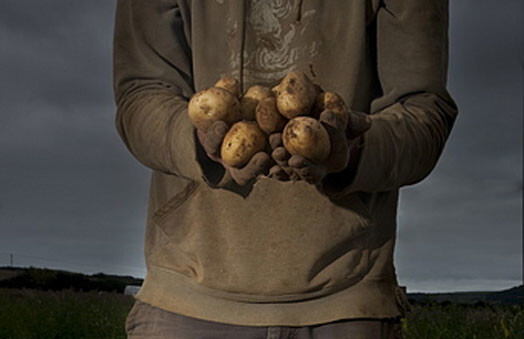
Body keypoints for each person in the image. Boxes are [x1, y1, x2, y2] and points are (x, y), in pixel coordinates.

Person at [113, 0, 458, 338]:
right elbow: (141, 94)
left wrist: (354, 151)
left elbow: (424, 112)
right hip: (187, 300)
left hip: (345, 303)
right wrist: (195, 144)